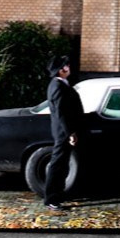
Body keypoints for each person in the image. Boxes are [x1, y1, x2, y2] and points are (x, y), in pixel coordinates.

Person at [43, 54, 83, 212]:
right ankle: (51, 199)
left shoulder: (61, 84)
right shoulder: (58, 86)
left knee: (62, 164)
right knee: (57, 165)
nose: (69, 67)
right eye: (66, 65)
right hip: (63, 133)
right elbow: (61, 113)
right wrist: (70, 133)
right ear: (61, 70)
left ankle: (57, 196)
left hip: (64, 132)